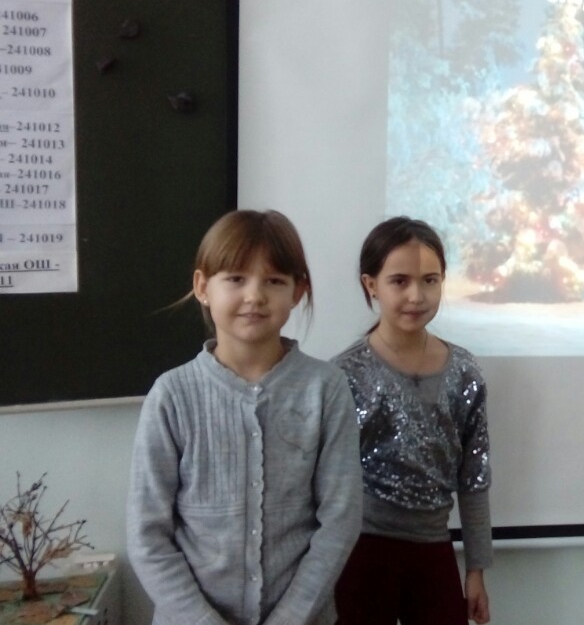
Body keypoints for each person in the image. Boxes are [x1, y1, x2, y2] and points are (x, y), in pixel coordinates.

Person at [127, 209, 362, 625]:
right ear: (203, 287)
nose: (254, 296)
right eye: (236, 278)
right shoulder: (172, 395)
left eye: (274, 281)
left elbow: (340, 521)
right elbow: (148, 536)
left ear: (298, 290)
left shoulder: (326, 388)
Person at [332, 217, 492, 625]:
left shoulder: (464, 371)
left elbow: (474, 476)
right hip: (361, 552)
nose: (416, 296)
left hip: (434, 549)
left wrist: (476, 569)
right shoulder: (344, 374)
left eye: (430, 281)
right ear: (371, 285)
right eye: (399, 281)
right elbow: (324, 481)